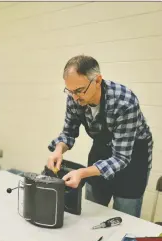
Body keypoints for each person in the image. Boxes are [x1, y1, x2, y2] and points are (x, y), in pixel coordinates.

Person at [47, 55, 153, 218]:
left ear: (97, 81)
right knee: (92, 212)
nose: (74, 97)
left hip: (132, 156)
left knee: (125, 217)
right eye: (70, 91)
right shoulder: (74, 98)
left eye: (79, 91)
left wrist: (81, 173)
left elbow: (121, 157)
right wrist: (58, 150)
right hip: (102, 148)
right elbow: (68, 133)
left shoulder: (124, 102)